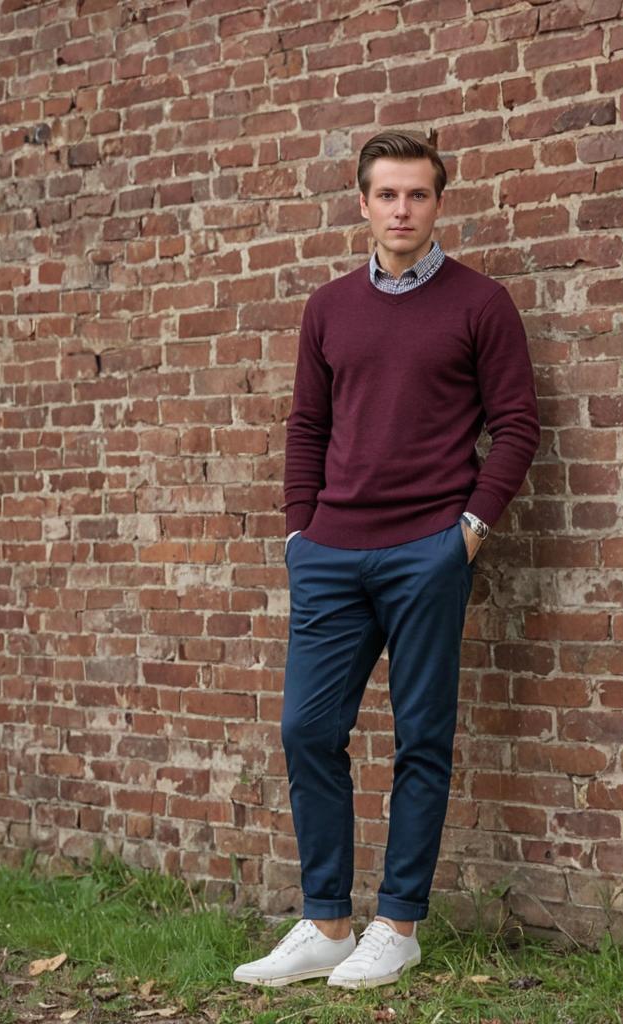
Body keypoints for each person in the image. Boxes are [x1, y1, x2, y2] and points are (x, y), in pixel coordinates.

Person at [233, 129, 540, 990]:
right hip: (331, 550)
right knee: (308, 729)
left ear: (439, 202)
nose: (403, 210)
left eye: (419, 194)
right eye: (387, 195)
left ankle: (397, 924)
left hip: (428, 551)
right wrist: (300, 532)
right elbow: (307, 427)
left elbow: (517, 426)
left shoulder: (482, 303)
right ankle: (327, 922)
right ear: (362, 203)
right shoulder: (329, 306)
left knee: (421, 738)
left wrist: (468, 533)